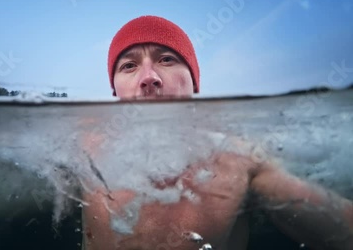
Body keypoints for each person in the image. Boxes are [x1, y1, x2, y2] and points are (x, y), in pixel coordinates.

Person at [80, 15, 353, 250]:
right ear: (114, 90)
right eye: (129, 65)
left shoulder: (239, 160)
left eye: (166, 59)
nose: (149, 77)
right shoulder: (83, 155)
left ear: (195, 84)